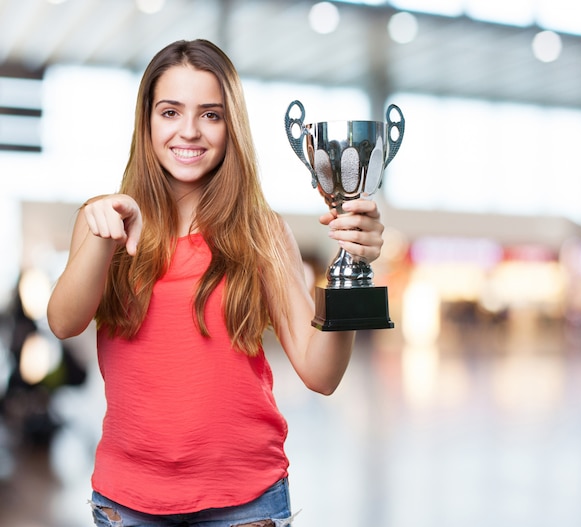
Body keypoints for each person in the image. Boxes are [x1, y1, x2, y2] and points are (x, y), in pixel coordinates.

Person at [47, 39, 385, 527]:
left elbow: (321, 374)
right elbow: (63, 322)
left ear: (232, 128)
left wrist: (349, 268)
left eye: (211, 115)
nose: (190, 131)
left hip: (246, 503)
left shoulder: (262, 231)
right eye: (170, 112)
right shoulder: (104, 220)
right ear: (146, 122)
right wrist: (102, 236)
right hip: (129, 501)